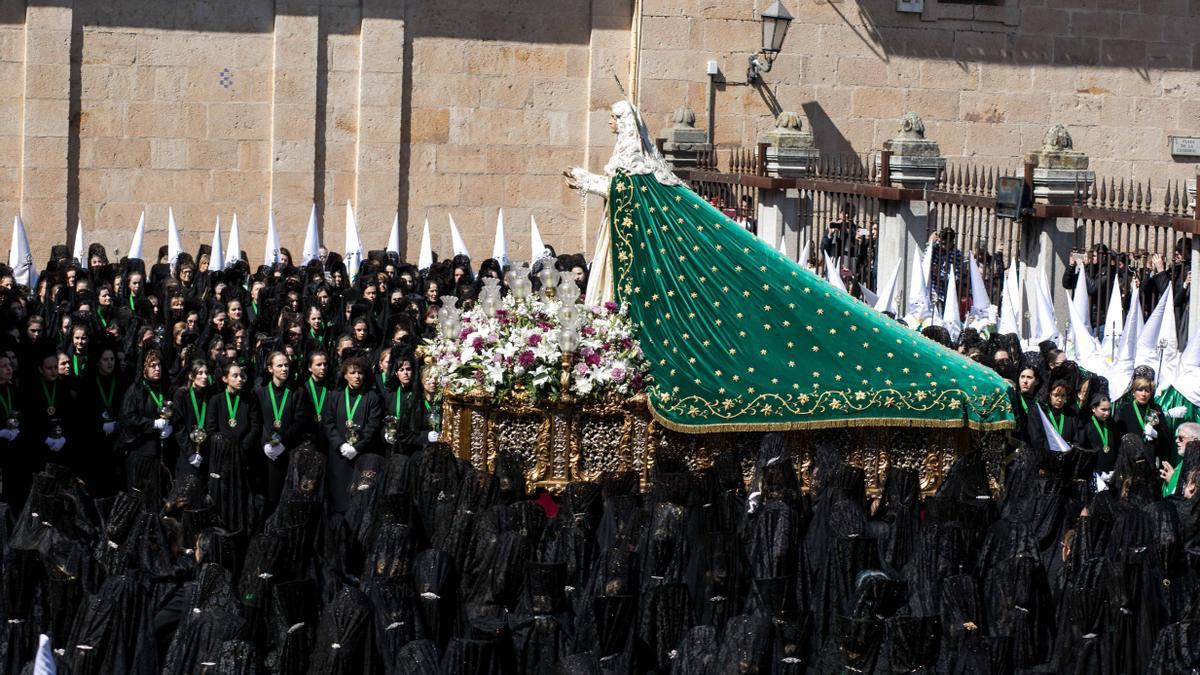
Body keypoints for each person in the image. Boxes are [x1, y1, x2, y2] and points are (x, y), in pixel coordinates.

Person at [322, 355, 382, 513]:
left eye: (360, 373)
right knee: (339, 500)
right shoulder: (334, 396)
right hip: (338, 455)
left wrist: (357, 447)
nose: (357, 376)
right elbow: (328, 423)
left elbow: (372, 427)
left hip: (361, 456)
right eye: (353, 372)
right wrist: (340, 444)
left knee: (358, 501)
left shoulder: (372, 398)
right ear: (345, 375)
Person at [255, 350, 309, 511]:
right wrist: (267, 443)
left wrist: (282, 442)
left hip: (289, 449)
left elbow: (299, 421)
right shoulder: (260, 392)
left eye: (286, 365)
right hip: (266, 452)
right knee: (269, 497)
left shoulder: (297, 392)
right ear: (270, 369)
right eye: (280, 365)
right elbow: (258, 421)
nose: (284, 369)